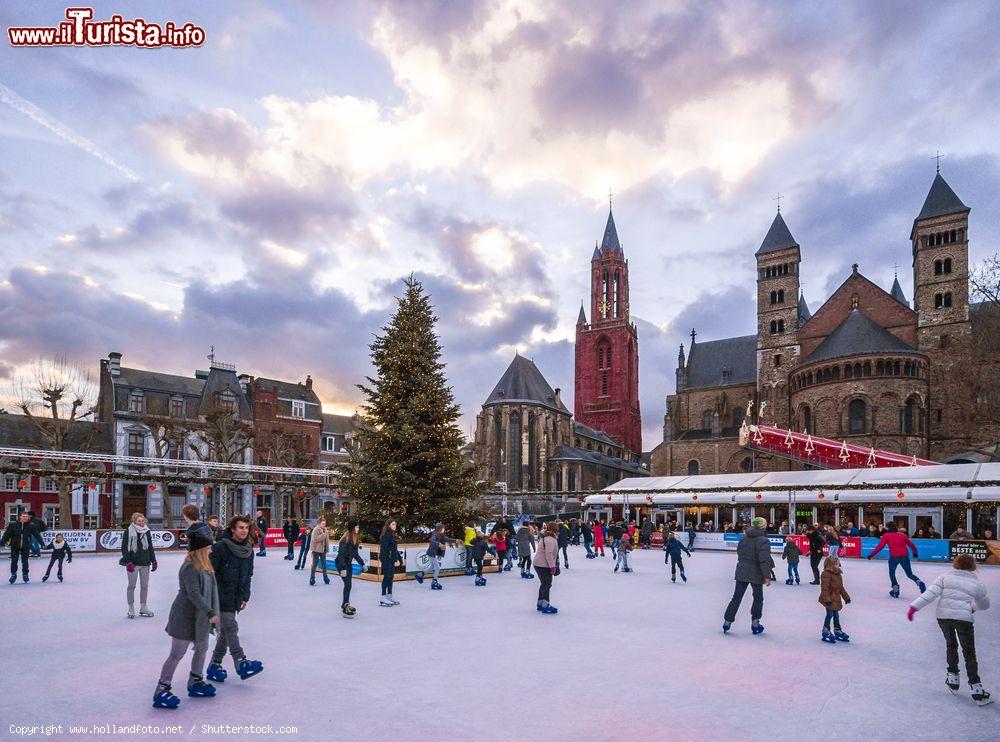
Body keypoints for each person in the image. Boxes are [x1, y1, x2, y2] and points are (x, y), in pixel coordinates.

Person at [908, 553, 991, 706]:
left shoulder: (945, 577)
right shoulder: (977, 583)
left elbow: (930, 594)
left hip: (944, 617)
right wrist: (972, 607)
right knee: (969, 652)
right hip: (963, 619)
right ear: (973, 566)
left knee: (951, 645)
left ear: (956, 564)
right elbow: (985, 605)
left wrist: (914, 607)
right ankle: (977, 689)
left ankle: (953, 678)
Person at [153, 526, 220, 709]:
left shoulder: (206, 565)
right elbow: (194, 594)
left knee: (202, 647)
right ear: (199, 549)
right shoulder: (189, 567)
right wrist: (210, 612)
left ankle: (196, 681)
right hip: (184, 616)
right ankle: (161, 689)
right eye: (208, 548)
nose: (211, 550)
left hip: (200, 617)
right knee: (177, 653)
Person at [206, 515, 262, 683]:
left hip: (235, 596)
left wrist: (245, 596)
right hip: (219, 595)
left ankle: (214, 665)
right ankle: (240, 661)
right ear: (232, 530)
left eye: (246, 528)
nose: (244, 531)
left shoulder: (248, 551)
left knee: (225, 632)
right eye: (240, 528)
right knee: (231, 626)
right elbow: (209, 574)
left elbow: (248, 575)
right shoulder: (220, 548)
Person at [723, 517, 773, 635]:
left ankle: (727, 621)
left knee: (736, 597)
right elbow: (764, 560)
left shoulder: (744, 539)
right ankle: (755, 623)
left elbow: (740, 554)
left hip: (742, 570)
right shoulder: (763, 540)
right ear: (762, 526)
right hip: (756, 572)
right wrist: (767, 575)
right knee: (758, 597)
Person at [868, 522, 925, 598]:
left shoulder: (886, 535)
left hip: (894, 557)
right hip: (904, 556)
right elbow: (911, 545)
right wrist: (915, 553)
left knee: (892, 573)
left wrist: (872, 554)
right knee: (909, 574)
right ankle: (919, 582)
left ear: (888, 528)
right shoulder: (902, 535)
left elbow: (880, 546)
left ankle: (895, 590)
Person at [122, 512, 157, 618]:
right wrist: (128, 562)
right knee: (132, 586)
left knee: (144, 586)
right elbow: (124, 548)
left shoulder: (147, 531)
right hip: (133, 563)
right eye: (139, 521)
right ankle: (131, 608)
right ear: (134, 521)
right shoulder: (128, 531)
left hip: (145, 563)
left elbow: (150, 547)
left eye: (142, 521)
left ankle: (143, 607)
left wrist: (154, 560)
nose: (141, 523)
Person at [335, 520, 366, 616]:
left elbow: (355, 554)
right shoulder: (345, 539)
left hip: (348, 564)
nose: (358, 529)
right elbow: (341, 555)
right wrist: (343, 568)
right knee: (348, 585)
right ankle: (345, 606)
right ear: (352, 528)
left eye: (358, 527)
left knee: (349, 585)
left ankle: (345, 604)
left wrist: (362, 564)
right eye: (356, 527)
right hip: (341, 564)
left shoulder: (355, 538)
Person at [818, 556, 852, 643]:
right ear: (831, 565)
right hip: (828, 598)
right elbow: (824, 589)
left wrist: (846, 597)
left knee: (836, 615)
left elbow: (841, 588)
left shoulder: (838, 574)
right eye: (837, 564)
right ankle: (825, 630)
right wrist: (827, 599)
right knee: (829, 614)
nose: (839, 565)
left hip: (836, 599)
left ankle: (837, 630)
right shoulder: (825, 574)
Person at [2, 512, 37, 584]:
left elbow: (36, 535)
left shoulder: (31, 526)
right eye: (23, 516)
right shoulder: (13, 525)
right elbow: (7, 535)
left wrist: (42, 544)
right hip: (15, 546)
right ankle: (13, 574)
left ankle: (25, 574)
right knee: (14, 561)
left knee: (25, 562)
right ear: (20, 517)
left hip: (25, 546)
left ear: (28, 518)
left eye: (26, 516)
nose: (25, 518)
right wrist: (2, 543)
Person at [533, 522, 559, 614]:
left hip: (538, 563)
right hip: (543, 564)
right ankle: (545, 604)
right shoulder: (551, 539)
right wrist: (552, 566)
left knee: (544, 583)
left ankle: (540, 603)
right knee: (547, 584)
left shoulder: (545, 537)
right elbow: (549, 554)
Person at [424, 522, 459, 589]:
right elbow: (432, 541)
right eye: (443, 528)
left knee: (432, 567)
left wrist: (455, 540)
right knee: (437, 568)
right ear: (440, 528)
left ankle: (419, 575)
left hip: (433, 553)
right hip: (431, 553)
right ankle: (434, 582)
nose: (444, 529)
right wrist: (439, 544)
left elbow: (447, 539)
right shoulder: (434, 534)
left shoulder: (441, 535)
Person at [378, 518, 402, 605]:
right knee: (387, 577)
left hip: (391, 559)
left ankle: (389, 595)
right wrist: (384, 560)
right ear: (388, 525)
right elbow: (383, 549)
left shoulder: (393, 535)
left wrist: (399, 558)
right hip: (386, 560)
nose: (395, 526)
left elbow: (394, 549)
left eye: (395, 524)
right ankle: (383, 597)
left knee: (391, 578)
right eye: (393, 524)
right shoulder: (386, 536)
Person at [309, 517, 331, 586]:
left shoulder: (325, 529)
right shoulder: (315, 530)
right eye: (323, 524)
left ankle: (325, 577)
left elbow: (326, 540)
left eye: (325, 524)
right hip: (316, 550)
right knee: (314, 565)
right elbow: (315, 539)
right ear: (319, 524)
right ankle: (312, 578)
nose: (324, 525)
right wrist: (324, 534)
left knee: (324, 565)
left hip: (323, 550)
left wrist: (327, 548)